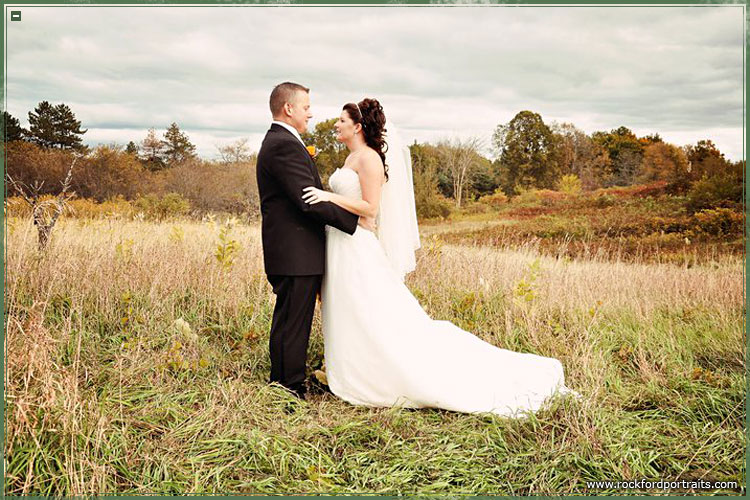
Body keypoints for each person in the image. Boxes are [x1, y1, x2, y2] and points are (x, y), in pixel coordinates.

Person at [301, 98, 577, 417]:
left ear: (358, 126)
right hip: (338, 243)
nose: (336, 125)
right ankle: (346, 365)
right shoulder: (351, 157)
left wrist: (327, 196)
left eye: (342, 120)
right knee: (348, 308)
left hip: (356, 245)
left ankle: (379, 371)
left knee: (370, 310)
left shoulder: (370, 160)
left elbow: (370, 211)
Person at [256, 82, 365, 400]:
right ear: (288, 109)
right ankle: (289, 388)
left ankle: (282, 380)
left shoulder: (280, 141)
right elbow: (308, 200)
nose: (310, 113)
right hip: (295, 251)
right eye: (306, 107)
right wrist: (353, 222)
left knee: (289, 317)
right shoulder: (283, 144)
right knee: (294, 321)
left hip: (292, 250)